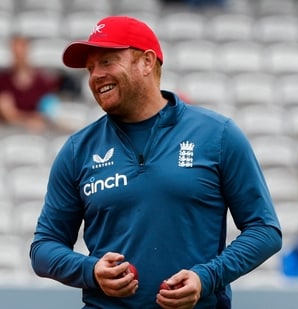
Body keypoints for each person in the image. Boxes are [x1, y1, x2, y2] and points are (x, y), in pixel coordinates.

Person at [29, 15, 282, 309]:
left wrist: (207, 277)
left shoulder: (218, 135)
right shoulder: (77, 150)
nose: (96, 75)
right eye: (90, 68)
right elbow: (43, 248)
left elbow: (265, 230)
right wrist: (91, 270)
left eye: (107, 61)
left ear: (147, 62)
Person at [0, 34, 60, 132]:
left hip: (38, 133)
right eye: (16, 52)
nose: (19, 56)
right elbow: (8, 114)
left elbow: (50, 113)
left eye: (21, 51)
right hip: (10, 132)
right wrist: (30, 120)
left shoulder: (43, 82)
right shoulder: (3, 81)